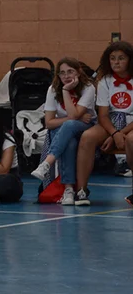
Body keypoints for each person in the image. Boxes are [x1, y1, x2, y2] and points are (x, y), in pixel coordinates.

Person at [30, 58, 96, 205]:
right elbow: (49, 123)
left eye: (70, 71)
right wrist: (73, 118)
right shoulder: (53, 89)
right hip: (62, 130)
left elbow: (73, 116)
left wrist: (66, 91)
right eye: (62, 73)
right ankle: (68, 190)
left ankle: (47, 163)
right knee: (69, 141)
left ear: (78, 72)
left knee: (69, 125)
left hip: (86, 127)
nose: (66, 76)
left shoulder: (88, 87)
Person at [75, 41, 133, 206]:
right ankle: (81, 190)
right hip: (111, 123)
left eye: (121, 58)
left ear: (130, 60)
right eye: (112, 58)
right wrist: (114, 133)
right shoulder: (105, 81)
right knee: (87, 137)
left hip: (131, 123)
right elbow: (103, 116)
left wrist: (121, 134)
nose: (116, 62)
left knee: (131, 140)